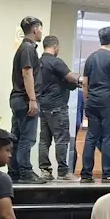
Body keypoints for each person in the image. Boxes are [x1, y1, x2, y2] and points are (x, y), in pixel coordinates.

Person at [81, 26, 110, 183]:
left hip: (92, 103)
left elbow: (85, 83)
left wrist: (87, 101)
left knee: (91, 137)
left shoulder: (90, 58)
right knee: (109, 138)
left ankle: (86, 174)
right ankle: (108, 172)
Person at [37, 35, 79, 181]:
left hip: (43, 106)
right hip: (57, 106)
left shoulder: (39, 62)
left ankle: (45, 171)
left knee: (44, 140)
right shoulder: (56, 62)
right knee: (61, 139)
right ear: (55, 46)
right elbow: (71, 78)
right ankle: (63, 172)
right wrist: (83, 80)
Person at [9, 16, 45, 184]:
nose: (41, 32)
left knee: (16, 137)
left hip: (17, 99)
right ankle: (26, 172)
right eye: (40, 29)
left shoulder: (23, 48)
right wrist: (32, 99)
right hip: (25, 99)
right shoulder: (28, 49)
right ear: (35, 29)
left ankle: (14, 171)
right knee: (27, 138)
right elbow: (27, 73)